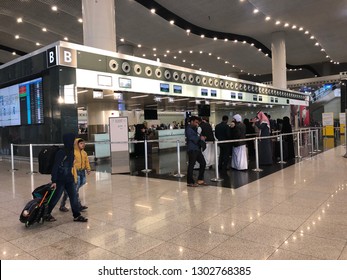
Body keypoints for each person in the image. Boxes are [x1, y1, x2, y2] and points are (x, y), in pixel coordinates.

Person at [45, 133, 88, 222]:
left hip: (69, 178)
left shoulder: (71, 151)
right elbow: (55, 166)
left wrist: (73, 176)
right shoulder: (61, 152)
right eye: (72, 140)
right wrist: (54, 180)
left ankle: (76, 215)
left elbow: (71, 166)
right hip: (60, 180)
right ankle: (46, 214)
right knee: (55, 197)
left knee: (74, 197)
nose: (73, 142)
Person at [59, 138, 91, 212]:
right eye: (81, 143)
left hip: (82, 171)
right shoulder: (73, 152)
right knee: (75, 190)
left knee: (82, 182)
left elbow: (87, 162)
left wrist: (88, 168)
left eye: (83, 143)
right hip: (75, 172)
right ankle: (78, 206)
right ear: (77, 144)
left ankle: (62, 204)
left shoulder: (84, 153)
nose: (83, 145)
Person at [186, 116, 207, 187]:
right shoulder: (188, 129)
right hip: (192, 149)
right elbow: (192, 138)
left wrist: (201, 137)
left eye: (198, 122)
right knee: (191, 165)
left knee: (203, 163)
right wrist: (200, 137)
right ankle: (190, 182)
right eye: (196, 122)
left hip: (197, 149)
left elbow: (198, 136)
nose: (197, 124)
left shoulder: (196, 129)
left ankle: (200, 179)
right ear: (191, 121)